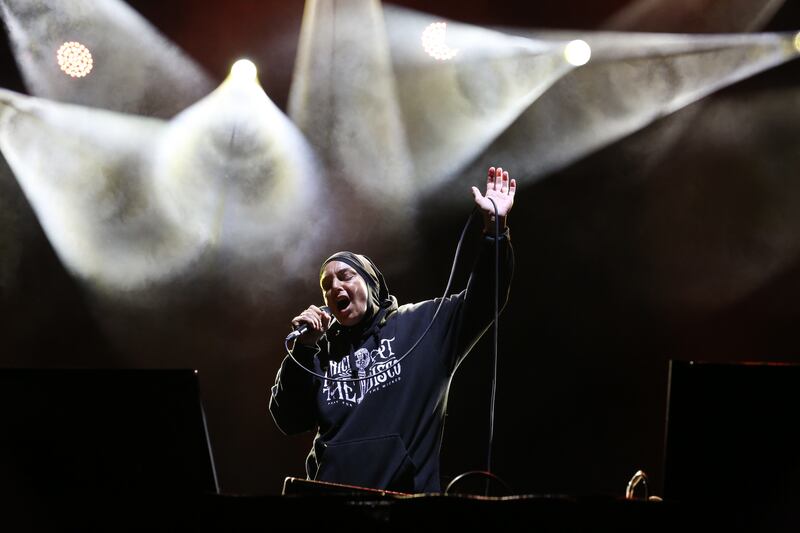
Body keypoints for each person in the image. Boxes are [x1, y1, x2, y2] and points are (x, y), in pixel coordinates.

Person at [269, 166, 516, 493]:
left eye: (345, 276)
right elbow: (288, 419)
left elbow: (484, 299)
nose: (334, 288)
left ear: (371, 284)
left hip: (402, 505)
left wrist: (494, 232)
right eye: (327, 286)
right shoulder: (320, 353)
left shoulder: (422, 324)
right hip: (328, 507)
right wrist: (304, 349)